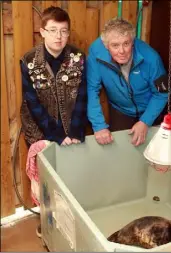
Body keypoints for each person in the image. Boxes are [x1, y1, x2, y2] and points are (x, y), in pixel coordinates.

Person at [19, 6, 87, 237]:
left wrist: (75, 130)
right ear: (42, 32)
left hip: (72, 129)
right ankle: (46, 224)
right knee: (45, 180)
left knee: (70, 175)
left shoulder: (78, 58)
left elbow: (82, 96)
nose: (59, 36)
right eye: (53, 30)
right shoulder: (29, 60)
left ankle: (70, 221)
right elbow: (32, 102)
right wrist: (56, 134)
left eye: (64, 31)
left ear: (69, 33)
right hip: (40, 130)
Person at [87, 18, 168, 147]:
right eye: (115, 45)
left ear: (133, 42)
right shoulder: (96, 53)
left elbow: (161, 94)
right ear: (106, 46)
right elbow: (91, 90)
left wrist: (145, 122)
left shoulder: (151, 58)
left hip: (150, 109)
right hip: (120, 110)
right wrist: (99, 126)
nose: (122, 51)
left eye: (126, 44)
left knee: (151, 151)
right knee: (120, 151)